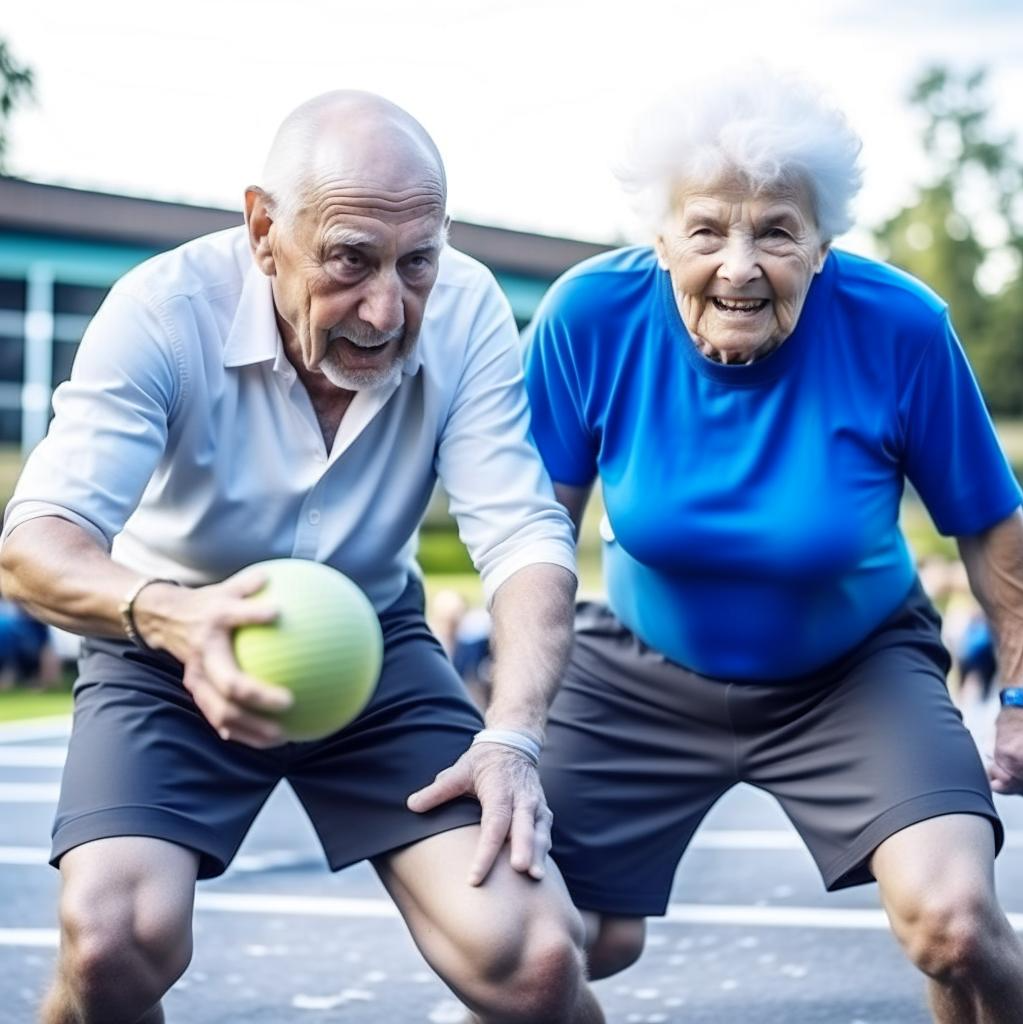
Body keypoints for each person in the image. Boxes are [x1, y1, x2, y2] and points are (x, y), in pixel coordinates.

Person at [0, 91, 603, 1024]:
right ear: (262, 229)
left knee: (533, 960)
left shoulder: (471, 307)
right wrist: (174, 615)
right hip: (168, 639)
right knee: (114, 939)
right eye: (350, 260)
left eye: (417, 263)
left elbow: (522, 536)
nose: (386, 305)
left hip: (377, 643)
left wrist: (513, 735)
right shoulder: (162, 311)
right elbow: (35, 544)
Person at [523, 67, 1023, 1023]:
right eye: (706, 228)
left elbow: (991, 523)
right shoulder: (587, 316)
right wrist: (512, 719)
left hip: (854, 667)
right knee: (537, 949)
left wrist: (1020, 696)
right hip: (635, 669)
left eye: (777, 231)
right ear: (661, 237)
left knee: (954, 926)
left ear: (824, 244)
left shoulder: (901, 325)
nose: (740, 264)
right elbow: (532, 527)